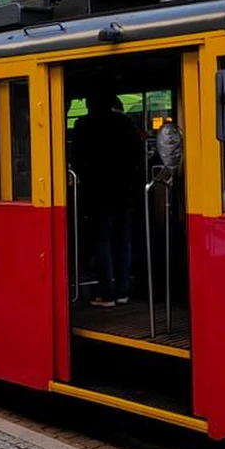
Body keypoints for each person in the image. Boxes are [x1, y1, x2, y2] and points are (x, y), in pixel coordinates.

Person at [70, 91, 145, 308]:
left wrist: (85, 176)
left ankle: (107, 293)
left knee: (102, 241)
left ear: (90, 103)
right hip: (124, 191)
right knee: (123, 240)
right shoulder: (125, 123)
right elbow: (138, 155)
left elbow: (75, 158)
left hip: (98, 191)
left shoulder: (83, 125)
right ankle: (122, 291)